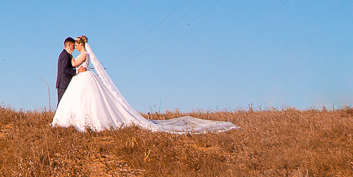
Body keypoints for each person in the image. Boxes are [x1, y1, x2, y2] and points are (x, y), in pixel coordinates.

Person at [50, 36, 238, 134]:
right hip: (80, 78)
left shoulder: (82, 55)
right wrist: (77, 68)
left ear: (81, 45)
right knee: (83, 101)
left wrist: (78, 68)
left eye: (76, 44)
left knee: (90, 102)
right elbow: (73, 65)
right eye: (73, 44)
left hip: (84, 79)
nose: (75, 46)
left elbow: (77, 65)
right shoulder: (71, 55)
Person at [54, 37, 83, 105]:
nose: (74, 48)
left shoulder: (66, 55)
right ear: (69, 45)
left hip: (64, 83)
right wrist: (77, 71)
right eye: (73, 46)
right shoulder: (65, 55)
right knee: (62, 105)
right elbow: (65, 69)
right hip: (64, 84)